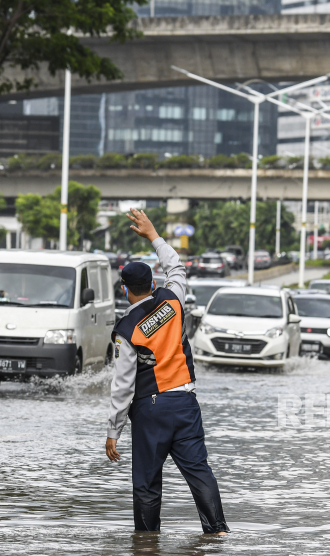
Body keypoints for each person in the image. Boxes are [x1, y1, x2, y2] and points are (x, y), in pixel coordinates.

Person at [105, 208, 229, 536]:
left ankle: (146, 544)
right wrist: (153, 235)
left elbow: (122, 385)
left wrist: (113, 430)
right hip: (186, 404)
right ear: (152, 282)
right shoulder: (174, 301)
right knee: (199, 472)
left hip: (151, 409)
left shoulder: (127, 329)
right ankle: (217, 532)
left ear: (124, 289)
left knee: (146, 483)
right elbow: (176, 266)